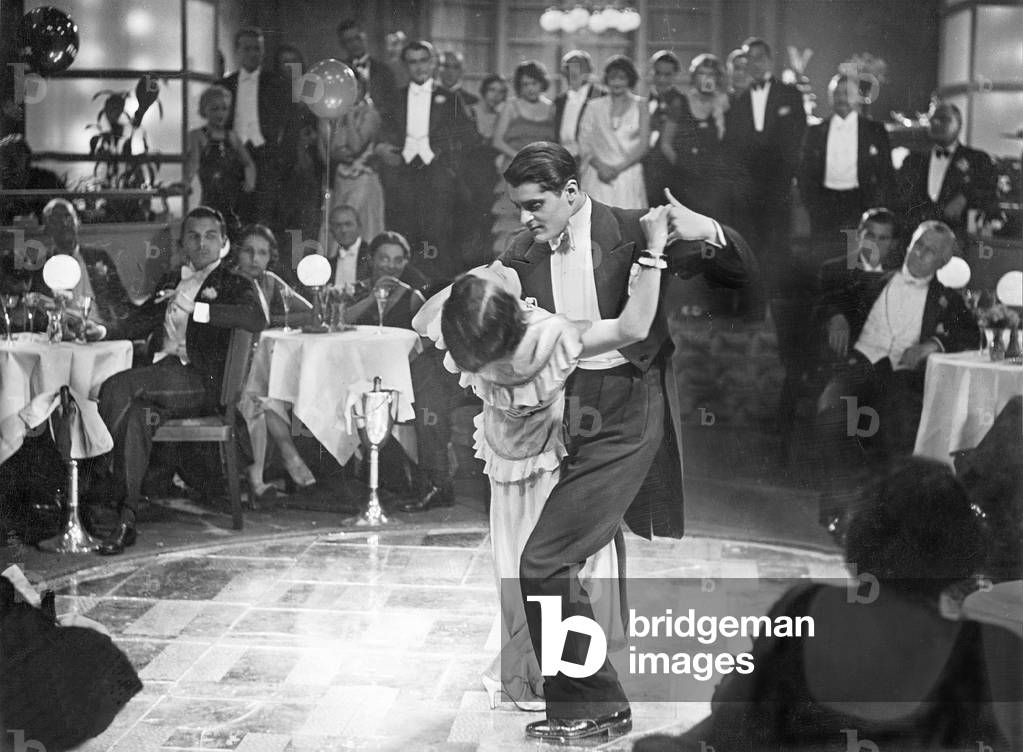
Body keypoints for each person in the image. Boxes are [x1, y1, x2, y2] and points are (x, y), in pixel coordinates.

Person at [497, 142, 753, 743]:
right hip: (565, 411)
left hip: (628, 411)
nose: (526, 219)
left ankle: (597, 705)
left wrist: (709, 228)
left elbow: (739, 270)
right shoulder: (522, 250)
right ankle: (574, 702)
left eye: (536, 205)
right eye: (519, 208)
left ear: (570, 191)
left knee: (544, 559)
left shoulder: (636, 233)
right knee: (554, 559)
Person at [414, 203, 670, 711]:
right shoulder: (549, 337)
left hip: (505, 475)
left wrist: (494, 273)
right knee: (566, 567)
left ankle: (531, 672)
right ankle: (569, 673)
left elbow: (431, 312)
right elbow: (634, 327)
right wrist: (655, 252)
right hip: (552, 467)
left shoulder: (463, 334)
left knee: (516, 568)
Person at [635, 458, 1005, 752]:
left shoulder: (802, 606)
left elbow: (732, 714)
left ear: (864, 531)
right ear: (965, 549)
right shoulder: (984, 653)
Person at [93, 207, 267, 555]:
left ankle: (97, 493)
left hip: (203, 382)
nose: (201, 243)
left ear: (224, 242)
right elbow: (138, 320)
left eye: (210, 236)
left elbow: (256, 317)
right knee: (136, 417)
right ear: (183, 242)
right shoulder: (173, 279)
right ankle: (126, 518)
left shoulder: (234, 283)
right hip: (164, 378)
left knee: (114, 388)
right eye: (193, 236)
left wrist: (198, 310)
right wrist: (99, 330)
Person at [815, 220, 979, 509]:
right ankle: (838, 509)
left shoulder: (948, 300)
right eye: (918, 245)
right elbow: (830, 300)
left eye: (930, 251)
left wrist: (932, 345)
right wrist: (837, 317)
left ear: (943, 261)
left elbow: (972, 335)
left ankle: (888, 512)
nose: (919, 254)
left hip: (900, 377)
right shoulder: (872, 281)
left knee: (899, 424)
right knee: (833, 409)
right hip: (860, 364)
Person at [375, 40, 480, 282]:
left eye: (424, 60)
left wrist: (442, 155)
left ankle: (437, 295)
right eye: (413, 62)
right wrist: (385, 148)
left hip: (438, 176)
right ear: (405, 66)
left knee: (437, 240)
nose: (419, 67)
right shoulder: (395, 98)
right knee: (404, 237)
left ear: (433, 63)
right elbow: (384, 131)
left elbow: (469, 137)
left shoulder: (450, 98)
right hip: (403, 175)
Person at [231, 224, 315, 502]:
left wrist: (271, 323)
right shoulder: (228, 281)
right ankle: (286, 461)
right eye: (249, 251)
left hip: (260, 367)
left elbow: (311, 314)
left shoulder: (270, 282)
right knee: (259, 399)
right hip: (228, 368)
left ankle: (263, 477)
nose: (255, 259)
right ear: (237, 252)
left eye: (262, 253)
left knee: (265, 397)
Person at [725, 37, 807, 264]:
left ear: (770, 61)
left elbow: (797, 139)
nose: (755, 64)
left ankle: (776, 296)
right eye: (750, 59)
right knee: (750, 244)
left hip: (778, 183)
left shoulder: (790, 94)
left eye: (760, 58)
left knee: (778, 243)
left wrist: (786, 177)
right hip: (748, 187)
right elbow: (734, 145)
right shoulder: (739, 100)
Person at [800, 73, 894, 255]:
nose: (841, 98)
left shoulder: (875, 130)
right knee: (823, 259)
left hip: (859, 205)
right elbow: (804, 172)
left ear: (857, 96)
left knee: (856, 262)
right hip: (824, 206)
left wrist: (874, 206)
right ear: (830, 98)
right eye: (837, 93)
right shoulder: (815, 131)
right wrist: (813, 204)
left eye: (846, 93)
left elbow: (886, 174)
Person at [218, 27, 295, 229]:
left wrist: (281, 157)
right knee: (234, 215)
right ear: (238, 51)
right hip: (235, 158)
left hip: (266, 157)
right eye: (247, 49)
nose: (253, 54)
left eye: (257, 49)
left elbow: (290, 125)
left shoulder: (278, 84)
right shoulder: (225, 85)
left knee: (265, 217)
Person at [895, 100, 1001, 244]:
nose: (937, 123)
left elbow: (988, 191)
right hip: (915, 238)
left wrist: (965, 197)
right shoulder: (912, 160)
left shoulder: (977, 159)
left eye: (944, 119)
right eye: (933, 119)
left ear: (959, 125)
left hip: (958, 240)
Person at [491, 61, 557, 255]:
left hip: (541, 174)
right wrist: (521, 157)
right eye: (525, 84)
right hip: (515, 171)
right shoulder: (511, 106)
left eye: (534, 84)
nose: (530, 89)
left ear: (542, 83)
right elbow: (497, 141)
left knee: (540, 221)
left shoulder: (551, 108)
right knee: (511, 223)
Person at [660, 54, 731, 220]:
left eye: (711, 74)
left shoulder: (724, 104)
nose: (706, 78)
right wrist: (681, 166)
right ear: (693, 76)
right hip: (684, 179)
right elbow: (665, 144)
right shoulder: (680, 102)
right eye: (702, 73)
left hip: (714, 181)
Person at [182, 85, 257, 235]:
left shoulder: (231, 137)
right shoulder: (198, 136)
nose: (220, 114)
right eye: (214, 109)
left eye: (224, 109)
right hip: (210, 198)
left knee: (234, 233)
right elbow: (193, 162)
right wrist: (186, 182)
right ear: (204, 110)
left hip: (232, 198)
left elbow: (248, 162)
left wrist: (250, 179)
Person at [577, 55, 649, 210]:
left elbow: (644, 144)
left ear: (630, 79)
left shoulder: (641, 105)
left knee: (628, 225)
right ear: (606, 80)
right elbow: (584, 142)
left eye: (622, 78)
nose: (617, 82)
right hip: (597, 175)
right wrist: (601, 167)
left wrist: (617, 169)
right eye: (612, 78)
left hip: (627, 175)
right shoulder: (593, 106)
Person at [331, 72, 385, 242]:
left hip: (363, 180)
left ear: (364, 89)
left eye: (356, 87)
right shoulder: (336, 115)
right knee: (338, 229)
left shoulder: (370, 114)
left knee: (360, 230)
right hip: (342, 180)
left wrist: (347, 116)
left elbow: (354, 147)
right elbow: (333, 149)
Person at [642, 50, 685, 208]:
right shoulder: (645, 100)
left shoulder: (680, 101)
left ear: (675, 75)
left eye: (667, 75)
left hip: (669, 172)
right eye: (658, 73)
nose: (661, 79)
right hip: (646, 170)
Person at [337, 18, 399, 118]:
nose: (355, 44)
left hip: (380, 127)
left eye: (358, 38)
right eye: (349, 41)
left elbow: (393, 104)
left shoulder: (384, 70)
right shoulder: (340, 72)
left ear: (365, 38)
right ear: (342, 45)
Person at [553, 50, 605, 159]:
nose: (574, 71)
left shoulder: (600, 96)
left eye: (579, 66)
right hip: (562, 158)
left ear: (590, 70)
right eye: (569, 67)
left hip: (590, 159)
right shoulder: (559, 100)